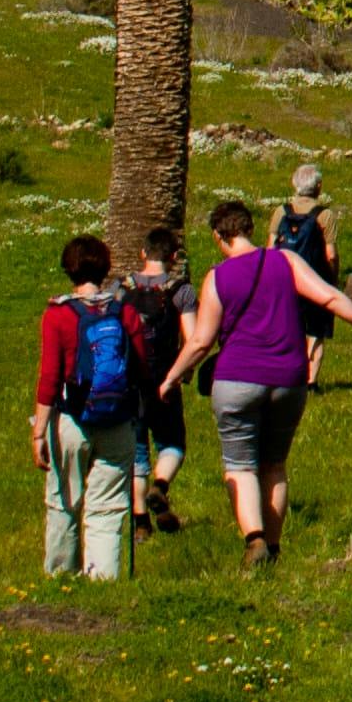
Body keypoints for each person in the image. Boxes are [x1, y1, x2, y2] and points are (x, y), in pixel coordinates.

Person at [167, 196, 352, 571]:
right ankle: (273, 549)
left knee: (240, 466)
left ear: (217, 237)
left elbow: (200, 342)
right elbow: (329, 296)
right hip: (289, 379)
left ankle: (253, 539)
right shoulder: (285, 261)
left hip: (237, 379)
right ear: (251, 230)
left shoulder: (217, 278)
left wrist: (171, 378)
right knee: (274, 465)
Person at [31, 232, 154, 581]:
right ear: (105, 268)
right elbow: (141, 366)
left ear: (68, 269)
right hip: (117, 419)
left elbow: (49, 377)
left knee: (63, 501)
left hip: (71, 419)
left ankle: (62, 579)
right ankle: (105, 580)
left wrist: (39, 430)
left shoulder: (57, 315)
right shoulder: (124, 312)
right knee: (109, 505)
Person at [123, 226, 192, 536]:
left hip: (129, 381)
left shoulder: (120, 289)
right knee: (172, 443)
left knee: (137, 452)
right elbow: (192, 340)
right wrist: (183, 373)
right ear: (174, 257)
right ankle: (160, 485)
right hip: (165, 379)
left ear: (142, 253)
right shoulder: (181, 290)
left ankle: (140, 524)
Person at [273, 165, 341, 379]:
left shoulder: (281, 211)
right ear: (318, 186)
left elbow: (270, 248)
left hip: (285, 279)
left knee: (288, 329)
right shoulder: (325, 215)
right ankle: (311, 381)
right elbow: (331, 254)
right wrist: (332, 278)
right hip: (315, 281)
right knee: (316, 333)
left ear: (294, 184)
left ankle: (288, 373)